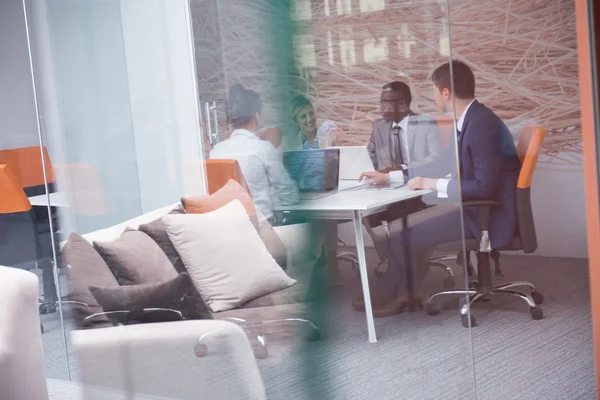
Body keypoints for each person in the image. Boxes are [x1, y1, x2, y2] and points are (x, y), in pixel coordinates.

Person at [357, 60, 522, 317]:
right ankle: (391, 290)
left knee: (401, 232)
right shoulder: (470, 120)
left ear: (446, 92)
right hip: (474, 208)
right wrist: (388, 177)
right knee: (403, 225)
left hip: (487, 215)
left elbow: (485, 188)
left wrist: (433, 184)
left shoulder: (480, 125)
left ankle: (402, 296)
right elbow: (442, 163)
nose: (433, 96)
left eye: (434, 91)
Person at [365, 81, 442, 263]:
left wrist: (402, 169)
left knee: (397, 211)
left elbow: (435, 160)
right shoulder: (379, 126)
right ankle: (391, 261)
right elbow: (371, 156)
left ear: (402, 104)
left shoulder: (425, 124)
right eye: (380, 102)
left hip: (417, 188)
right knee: (367, 214)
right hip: (388, 189)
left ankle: (406, 263)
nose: (381, 107)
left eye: (386, 102)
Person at [210, 84, 299, 222]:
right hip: (261, 229)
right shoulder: (263, 148)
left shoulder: (216, 151)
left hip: (229, 229)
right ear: (257, 116)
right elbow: (287, 193)